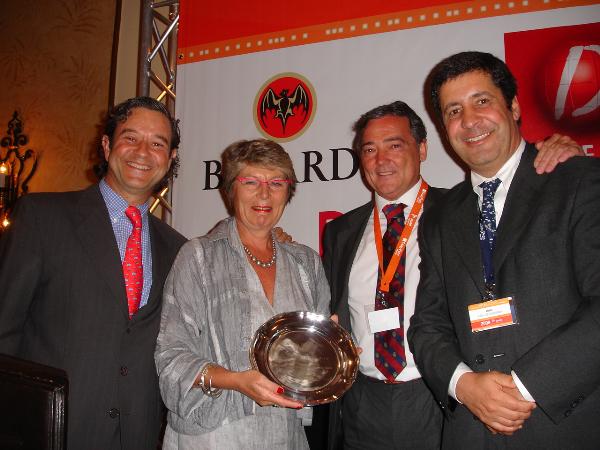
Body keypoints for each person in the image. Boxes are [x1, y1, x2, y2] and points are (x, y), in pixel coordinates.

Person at [323, 99, 583, 450]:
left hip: (443, 399)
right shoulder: (340, 232)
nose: (381, 160)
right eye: (369, 149)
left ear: (422, 149)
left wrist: (557, 153)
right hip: (363, 405)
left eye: (394, 145)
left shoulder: (464, 211)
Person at [408, 51, 600, 449]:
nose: (469, 121)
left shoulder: (580, 181)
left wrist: (525, 387)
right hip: (470, 431)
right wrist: (464, 385)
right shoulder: (440, 216)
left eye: (482, 101)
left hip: (567, 426)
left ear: (513, 107)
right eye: (454, 111)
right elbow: (428, 325)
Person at [0, 96, 187, 449]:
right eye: (130, 137)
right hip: (50, 431)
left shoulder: (178, 248)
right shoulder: (41, 217)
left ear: (170, 158)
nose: (142, 152)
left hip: (137, 436)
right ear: (106, 145)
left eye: (157, 143)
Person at [155, 139, 330, 449]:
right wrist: (236, 381)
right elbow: (171, 356)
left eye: (276, 182)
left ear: (288, 191)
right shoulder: (198, 257)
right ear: (230, 190)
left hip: (285, 435)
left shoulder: (306, 263)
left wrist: (328, 349)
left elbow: (309, 367)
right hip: (213, 436)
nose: (264, 193)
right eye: (251, 181)